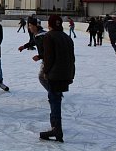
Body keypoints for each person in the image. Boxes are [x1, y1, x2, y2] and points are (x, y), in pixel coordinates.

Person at [39, 15, 75, 143]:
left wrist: (46, 71)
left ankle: (56, 129)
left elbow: (49, 57)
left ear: (50, 24)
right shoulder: (67, 37)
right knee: (56, 99)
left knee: (54, 100)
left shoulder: (49, 36)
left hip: (54, 75)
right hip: (65, 74)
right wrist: (71, 75)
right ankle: (56, 127)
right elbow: (72, 58)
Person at [18, 18, 48, 91]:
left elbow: (49, 51)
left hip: (49, 60)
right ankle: (55, 93)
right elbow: (33, 42)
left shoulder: (42, 36)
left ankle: (54, 93)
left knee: (43, 77)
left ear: (35, 26)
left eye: (30, 25)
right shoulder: (36, 35)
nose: (29, 27)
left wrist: (39, 56)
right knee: (45, 77)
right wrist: (24, 46)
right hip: (46, 59)